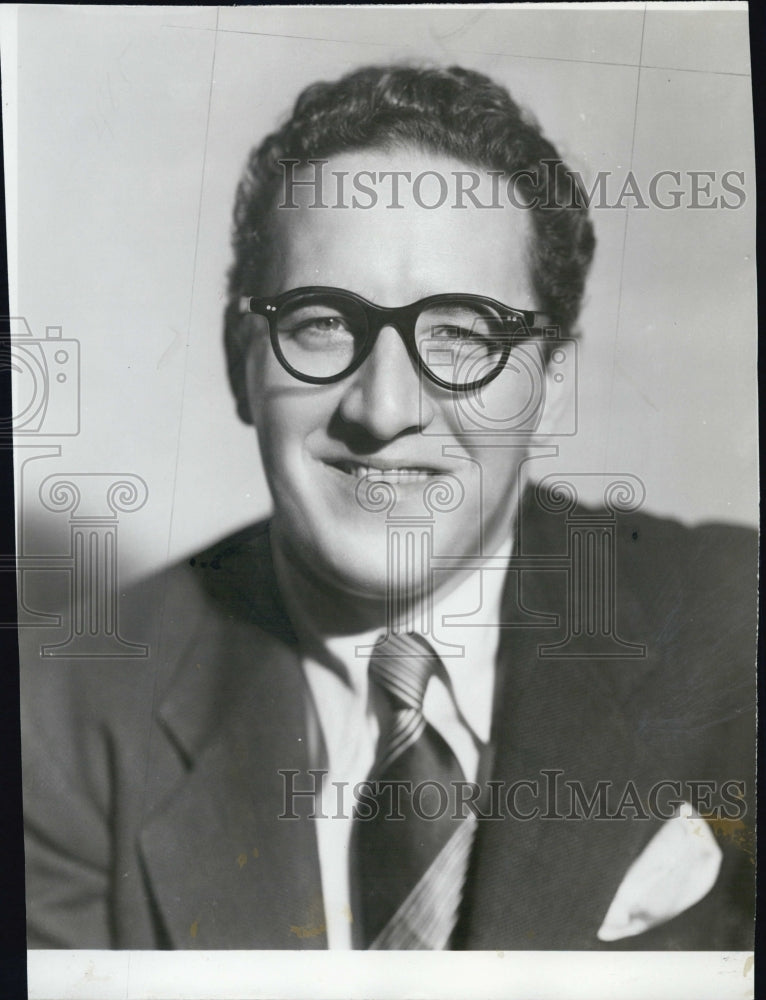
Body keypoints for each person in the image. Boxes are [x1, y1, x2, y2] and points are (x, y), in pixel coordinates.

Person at [21, 64, 756, 951]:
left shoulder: (732, 634)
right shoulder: (58, 722)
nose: (382, 410)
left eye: (459, 333)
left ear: (552, 386)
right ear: (238, 361)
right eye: (322, 322)